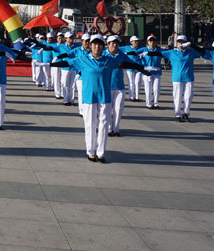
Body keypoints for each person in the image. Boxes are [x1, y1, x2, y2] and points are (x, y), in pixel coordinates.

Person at [52, 34, 148, 162]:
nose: (97, 47)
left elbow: (125, 64)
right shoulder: (83, 59)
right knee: (90, 124)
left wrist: (141, 69)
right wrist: (51, 64)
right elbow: (67, 62)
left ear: (103, 46)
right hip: (89, 97)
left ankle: (101, 152)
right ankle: (90, 151)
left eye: (99, 44)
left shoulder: (109, 60)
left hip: (105, 97)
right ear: (90, 46)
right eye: (94, 44)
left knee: (104, 124)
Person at [147, 35, 204, 122]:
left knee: (188, 97)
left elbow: (202, 52)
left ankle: (186, 113)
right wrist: (147, 53)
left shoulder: (191, 52)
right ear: (176, 43)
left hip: (189, 78)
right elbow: (158, 53)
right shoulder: (172, 52)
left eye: (183, 42)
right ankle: (177, 114)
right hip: (177, 78)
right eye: (179, 42)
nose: (181, 44)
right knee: (177, 96)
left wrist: (191, 45)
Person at [138, 34, 163, 109]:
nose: (152, 42)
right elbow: (135, 53)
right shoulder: (143, 50)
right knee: (148, 89)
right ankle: (148, 104)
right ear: (147, 42)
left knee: (156, 89)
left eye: (153, 40)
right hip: (147, 72)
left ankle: (155, 103)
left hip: (157, 72)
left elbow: (167, 54)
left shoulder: (159, 50)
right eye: (150, 40)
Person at [121, 36, 142, 102]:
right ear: (131, 42)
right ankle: (131, 97)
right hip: (129, 68)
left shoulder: (141, 48)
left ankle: (137, 97)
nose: (136, 42)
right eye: (134, 41)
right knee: (131, 83)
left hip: (138, 68)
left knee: (137, 82)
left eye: (137, 41)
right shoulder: (126, 48)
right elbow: (117, 49)